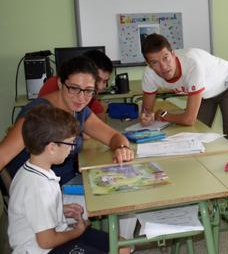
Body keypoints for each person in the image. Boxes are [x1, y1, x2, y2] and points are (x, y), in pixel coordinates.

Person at [8, 106, 130, 254]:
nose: (72, 149)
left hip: (56, 235)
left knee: (123, 247)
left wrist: (59, 210)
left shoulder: (35, 170)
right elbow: (46, 241)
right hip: (41, 249)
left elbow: (34, 211)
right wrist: (77, 232)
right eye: (70, 144)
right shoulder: (37, 186)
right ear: (52, 147)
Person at [0, 56, 134, 185]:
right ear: (60, 83)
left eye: (88, 91)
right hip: (40, 192)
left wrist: (122, 148)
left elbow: (114, 137)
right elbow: (2, 156)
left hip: (65, 183)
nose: (81, 98)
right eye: (74, 88)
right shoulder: (37, 115)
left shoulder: (79, 110)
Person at [139, 34, 228, 134]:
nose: (164, 67)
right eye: (155, 62)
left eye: (165, 58)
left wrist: (163, 115)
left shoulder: (192, 65)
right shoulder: (149, 74)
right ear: (148, 64)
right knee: (197, 132)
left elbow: (189, 119)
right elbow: (146, 112)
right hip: (204, 93)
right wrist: (146, 117)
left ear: (173, 54)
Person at [38, 50, 113, 121]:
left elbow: (100, 117)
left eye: (105, 81)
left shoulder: (88, 93)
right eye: (98, 79)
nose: (100, 87)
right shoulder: (52, 87)